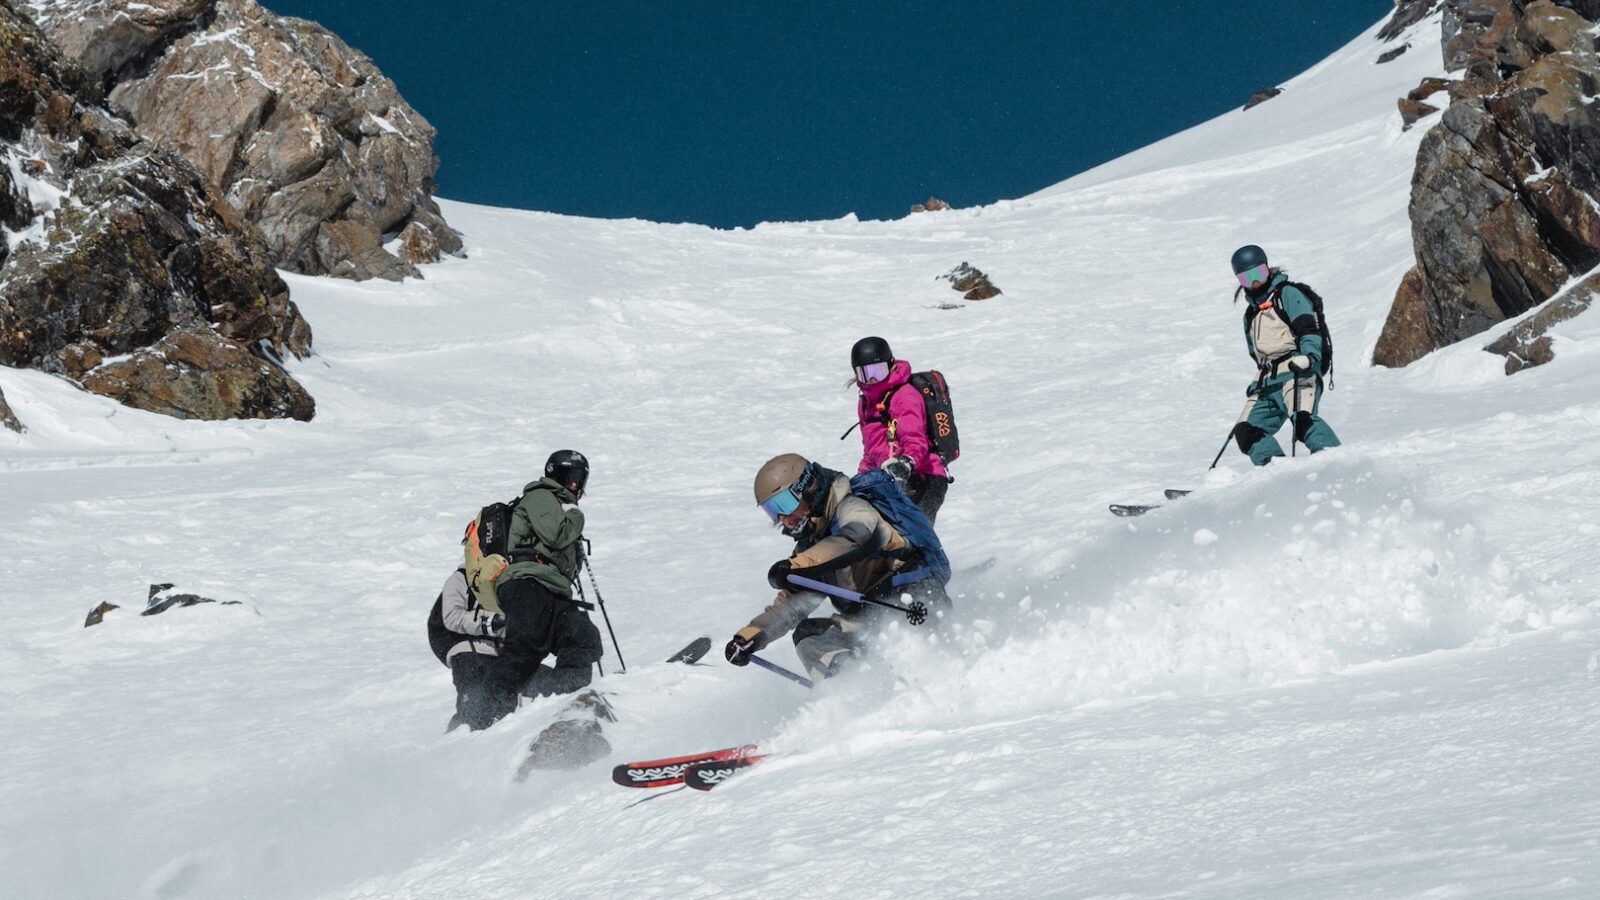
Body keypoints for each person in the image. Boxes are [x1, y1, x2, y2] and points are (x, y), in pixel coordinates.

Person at [725, 453, 950, 681]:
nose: (783, 518)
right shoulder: (811, 548)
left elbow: (858, 538)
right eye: (773, 510)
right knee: (809, 636)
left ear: (808, 488)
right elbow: (792, 606)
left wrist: (795, 566)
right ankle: (850, 687)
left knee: (908, 645)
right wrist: (750, 638)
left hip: (912, 603)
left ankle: (934, 680)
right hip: (870, 620)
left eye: (785, 504)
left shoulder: (853, 507)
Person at [481, 450, 605, 726]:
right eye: (570, 477)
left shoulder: (559, 507)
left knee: (583, 638)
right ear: (555, 474)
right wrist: (575, 516)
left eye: (580, 479)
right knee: (524, 648)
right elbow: (556, 535)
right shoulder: (541, 496)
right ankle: (486, 716)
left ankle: (565, 698)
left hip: (552, 590)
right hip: (526, 584)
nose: (576, 485)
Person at [1230, 245, 1341, 466]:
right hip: (1268, 383)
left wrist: (1309, 357)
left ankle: (1336, 462)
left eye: (1259, 273)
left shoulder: (1288, 294)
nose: (1254, 282)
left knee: (1302, 419)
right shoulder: (1251, 314)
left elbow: (1308, 329)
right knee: (1246, 430)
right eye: (1246, 278)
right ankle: (1275, 469)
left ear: (1267, 269)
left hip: (1298, 371)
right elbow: (1257, 353)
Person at [848, 336, 952, 523]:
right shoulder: (866, 403)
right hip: (891, 481)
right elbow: (872, 452)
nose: (872, 379)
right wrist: (860, 481)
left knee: (912, 532)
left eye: (878, 371)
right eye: (865, 373)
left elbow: (915, 439)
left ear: (890, 366)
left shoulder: (904, 396)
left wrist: (907, 462)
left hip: (924, 476)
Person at [427, 566, 506, 731]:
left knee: (498, 707)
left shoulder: (504, 581)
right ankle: (458, 742)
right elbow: (451, 617)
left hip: (496, 655)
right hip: (465, 652)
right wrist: (490, 623)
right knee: (472, 709)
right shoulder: (461, 578)